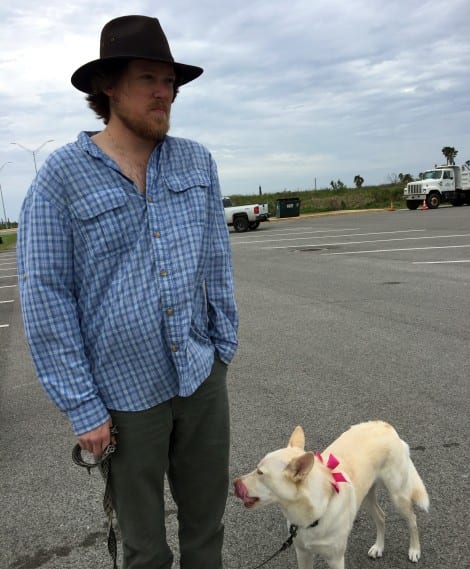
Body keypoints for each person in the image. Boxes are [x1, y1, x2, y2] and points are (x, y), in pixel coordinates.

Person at [17, 15, 238, 569]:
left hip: (198, 374)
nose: (164, 93)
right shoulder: (60, 178)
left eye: (170, 83)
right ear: (108, 87)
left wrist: (222, 348)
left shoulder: (196, 162)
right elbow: (46, 295)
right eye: (148, 79)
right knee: (144, 546)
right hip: (123, 395)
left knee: (206, 525)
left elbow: (217, 260)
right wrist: (83, 405)